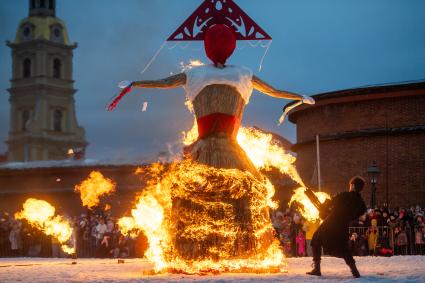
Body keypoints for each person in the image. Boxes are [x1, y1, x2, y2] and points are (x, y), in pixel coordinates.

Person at [307, 176, 367, 278]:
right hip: (343, 226)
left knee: (316, 240)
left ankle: (317, 269)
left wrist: (324, 209)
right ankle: (355, 272)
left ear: (352, 185)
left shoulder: (343, 195)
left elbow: (329, 205)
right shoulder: (361, 204)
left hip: (330, 223)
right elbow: (355, 216)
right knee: (344, 249)